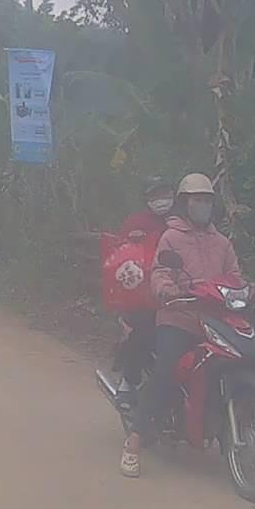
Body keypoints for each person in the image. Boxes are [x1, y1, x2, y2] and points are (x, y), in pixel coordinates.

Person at [120, 173, 242, 479]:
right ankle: (134, 440)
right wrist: (167, 290)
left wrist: (246, 291)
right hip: (179, 318)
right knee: (166, 371)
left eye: (207, 200)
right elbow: (160, 272)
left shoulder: (222, 243)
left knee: (237, 361)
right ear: (185, 203)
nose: (202, 206)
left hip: (215, 322)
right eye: (197, 200)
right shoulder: (171, 238)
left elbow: (235, 276)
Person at [111, 176, 173, 414]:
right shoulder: (135, 223)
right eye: (155, 195)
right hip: (143, 295)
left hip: (179, 292)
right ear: (147, 198)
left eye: (165, 193)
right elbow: (120, 256)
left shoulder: (180, 222)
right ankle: (128, 382)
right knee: (142, 330)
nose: (161, 200)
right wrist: (131, 242)